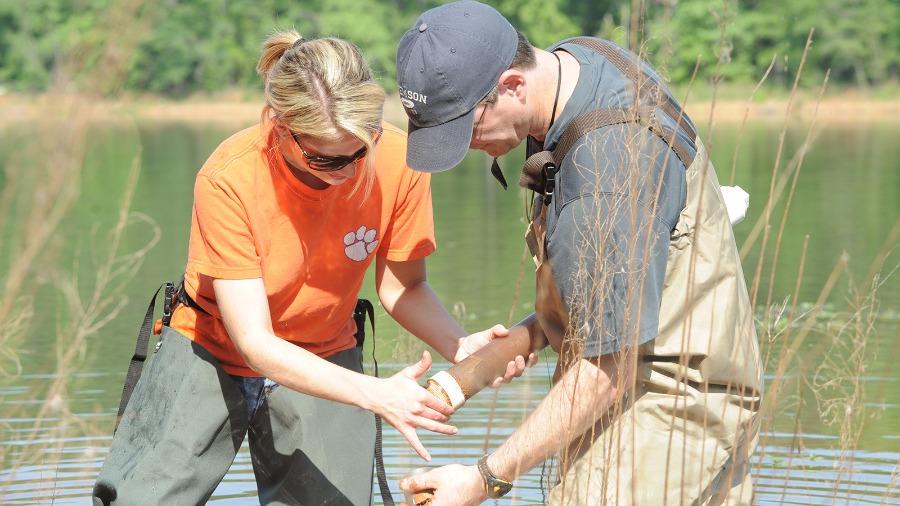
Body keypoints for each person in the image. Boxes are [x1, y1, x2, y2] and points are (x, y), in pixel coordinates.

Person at [92, 30, 529, 506]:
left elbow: (405, 288)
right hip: (211, 346)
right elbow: (254, 342)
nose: (348, 172)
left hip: (325, 348)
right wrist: (375, 394)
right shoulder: (229, 178)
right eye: (325, 158)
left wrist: (459, 344)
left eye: (361, 151)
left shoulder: (402, 161)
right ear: (278, 125)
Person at [394, 2, 763, 505]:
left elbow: (606, 370)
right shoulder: (575, 63)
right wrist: (482, 365)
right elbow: (600, 297)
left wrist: (484, 479)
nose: (467, 150)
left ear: (512, 85)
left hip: (668, 406)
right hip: (626, 371)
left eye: (467, 129)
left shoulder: (607, 169)